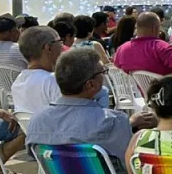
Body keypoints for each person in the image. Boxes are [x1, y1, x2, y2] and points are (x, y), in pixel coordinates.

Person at [26, 49, 157, 167]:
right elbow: (131, 165)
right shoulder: (111, 121)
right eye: (103, 72)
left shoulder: (36, 121)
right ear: (91, 84)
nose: (104, 76)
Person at [114, 12, 172, 76]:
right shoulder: (161, 47)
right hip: (164, 92)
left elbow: (117, 68)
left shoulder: (122, 49)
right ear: (155, 27)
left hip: (137, 94)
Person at [11, 26, 64, 115]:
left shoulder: (18, 82)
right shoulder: (53, 81)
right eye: (60, 42)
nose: (62, 47)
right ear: (49, 47)